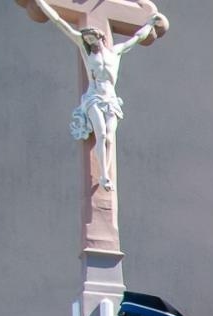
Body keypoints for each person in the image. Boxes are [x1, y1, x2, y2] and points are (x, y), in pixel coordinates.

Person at [31, 0, 165, 190]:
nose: (88, 41)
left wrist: (151, 24)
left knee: (109, 137)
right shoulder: (87, 53)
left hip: (110, 100)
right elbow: (60, 22)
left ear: (99, 37)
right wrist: (42, 3)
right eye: (86, 39)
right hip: (94, 97)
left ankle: (105, 174)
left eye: (91, 38)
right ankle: (103, 176)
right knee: (101, 134)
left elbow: (136, 38)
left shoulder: (115, 53)